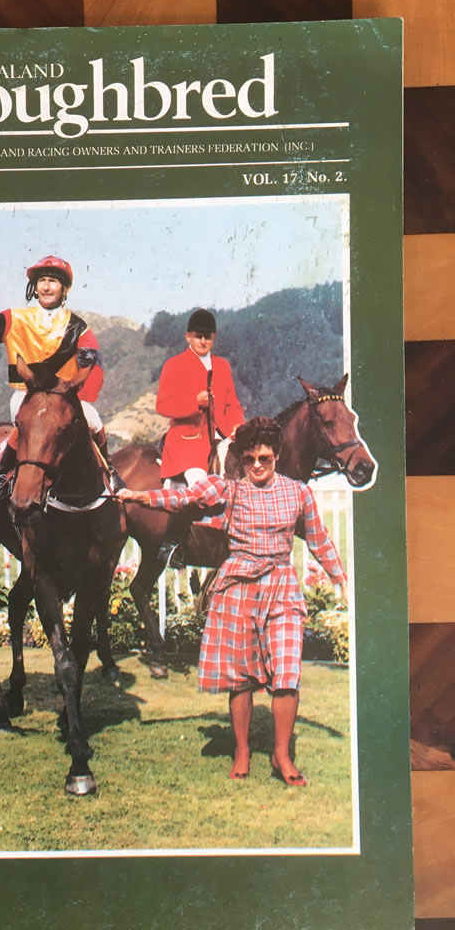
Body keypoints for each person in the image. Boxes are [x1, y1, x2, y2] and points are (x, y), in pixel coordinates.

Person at [116, 416, 347, 787]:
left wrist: (338, 577)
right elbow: (182, 498)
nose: (257, 466)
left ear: (277, 457)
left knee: (287, 673)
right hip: (237, 586)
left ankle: (281, 754)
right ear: (241, 458)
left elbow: (318, 538)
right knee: (240, 678)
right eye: (251, 458)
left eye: (265, 459)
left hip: (280, 586)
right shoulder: (228, 489)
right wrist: (140, 496)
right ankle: (241, 750)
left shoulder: (298, 493)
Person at [0, 254, 120, 497]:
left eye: (53, 281)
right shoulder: (14, 318)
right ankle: (3, 475)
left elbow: (91, 368)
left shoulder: (79, 327)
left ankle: (108, 471)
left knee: (94, 420)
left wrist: (77, 396)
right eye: (42, 280)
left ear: (65, 288)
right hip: (26, 395)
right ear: (34, 287)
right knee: (28, 426)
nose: (46, 286)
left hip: (64, 398)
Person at [155, 307, 244, 565]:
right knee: (199, 485)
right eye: (198, 336)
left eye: (207, 336)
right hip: (187, 441)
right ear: (188, 337)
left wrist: (238, 424)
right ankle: (171, 544)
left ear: (214, 337)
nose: (203, 341)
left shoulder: (223, 366)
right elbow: (163, 405)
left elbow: (232, 404)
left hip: (221, 437)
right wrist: (194, 402)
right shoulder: (174, 365)